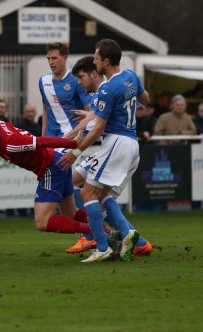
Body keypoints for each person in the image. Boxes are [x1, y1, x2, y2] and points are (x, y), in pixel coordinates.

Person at [58, 39, 149, 263]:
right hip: (130, 143)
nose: (95, 61)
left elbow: (98, 128)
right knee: (98, 192)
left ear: (105, 61)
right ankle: (130, 238)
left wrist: (76, 152)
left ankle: (101, 246)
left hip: (117, 143)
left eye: (97, 58)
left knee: (87, 193)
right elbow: (145, 99)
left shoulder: (109, 88)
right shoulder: (131, 76)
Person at [0, 112, 94, 237]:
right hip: (57, 164)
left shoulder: (11, 143)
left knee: (42, 222)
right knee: (70, 213)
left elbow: (42, 141)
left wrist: (73, 144)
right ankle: (104, 232)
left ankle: (94, 230)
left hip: (51, 168)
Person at [40, 42, 92, 137]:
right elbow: (45, 109)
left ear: (65, 58)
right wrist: (43, 137)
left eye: (54, 58)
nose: (51, 62)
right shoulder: (43, 81)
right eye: (48, 58)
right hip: (51, 138)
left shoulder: (77, 81)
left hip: (71, 137)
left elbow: (90, 109)